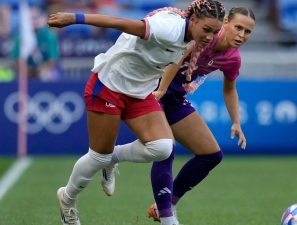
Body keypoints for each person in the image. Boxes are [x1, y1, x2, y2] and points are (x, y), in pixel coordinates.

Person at [47, 1, 225, 225]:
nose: (209, 36)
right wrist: (75, 18)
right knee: (98, 155)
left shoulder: (190, 37)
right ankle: (67, 200)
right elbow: (120, 22)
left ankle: (113, 158)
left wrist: (160, 89)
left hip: (140, 92)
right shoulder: (168, 28)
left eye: (215, 32)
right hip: (110, 86)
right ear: (194, 20)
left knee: (162, 147)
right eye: (206, 30)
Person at [99, 6, 256, 223]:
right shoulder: (204, 35)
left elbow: (229, 89)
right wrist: (162, 89)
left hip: (175, 96)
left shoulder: (232, 59)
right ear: (226, 21)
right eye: (238, 27)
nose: (241, 35)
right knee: (166, 148)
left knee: (211, 155)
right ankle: (167, 218)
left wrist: (236, 121)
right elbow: (176, 58)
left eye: (247, 32)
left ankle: (160, 198)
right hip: (153, 88)